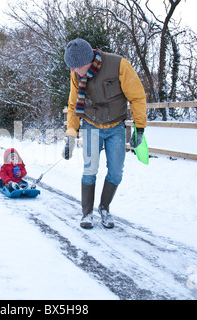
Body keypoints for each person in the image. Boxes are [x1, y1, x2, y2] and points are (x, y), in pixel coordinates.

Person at [62, 38, 147, 229]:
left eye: (75, 67)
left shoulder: (119, 65)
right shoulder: (76, 75)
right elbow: (73, 104)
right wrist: (70, 135)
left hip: (116, 126)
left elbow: (137, 97)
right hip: (91, 125)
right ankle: (87, 213)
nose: (73, 71)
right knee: (90, 170)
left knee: (116, 172)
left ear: (86, 61)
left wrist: (139, 127)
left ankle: (104, 207)